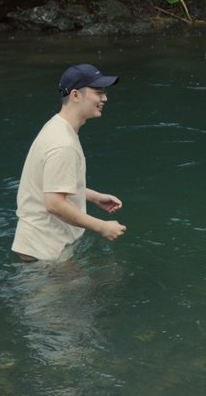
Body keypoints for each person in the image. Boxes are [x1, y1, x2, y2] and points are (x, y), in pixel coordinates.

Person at [12, 63, 127, 262]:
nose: (104, 98)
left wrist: (93, 196)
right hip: (45, 254)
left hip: (39, 247)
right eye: (98, 92)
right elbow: (54, 204)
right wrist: (102, 227)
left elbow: (50, 187)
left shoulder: (56, 126)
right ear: (75, 95)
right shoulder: (63, 144)